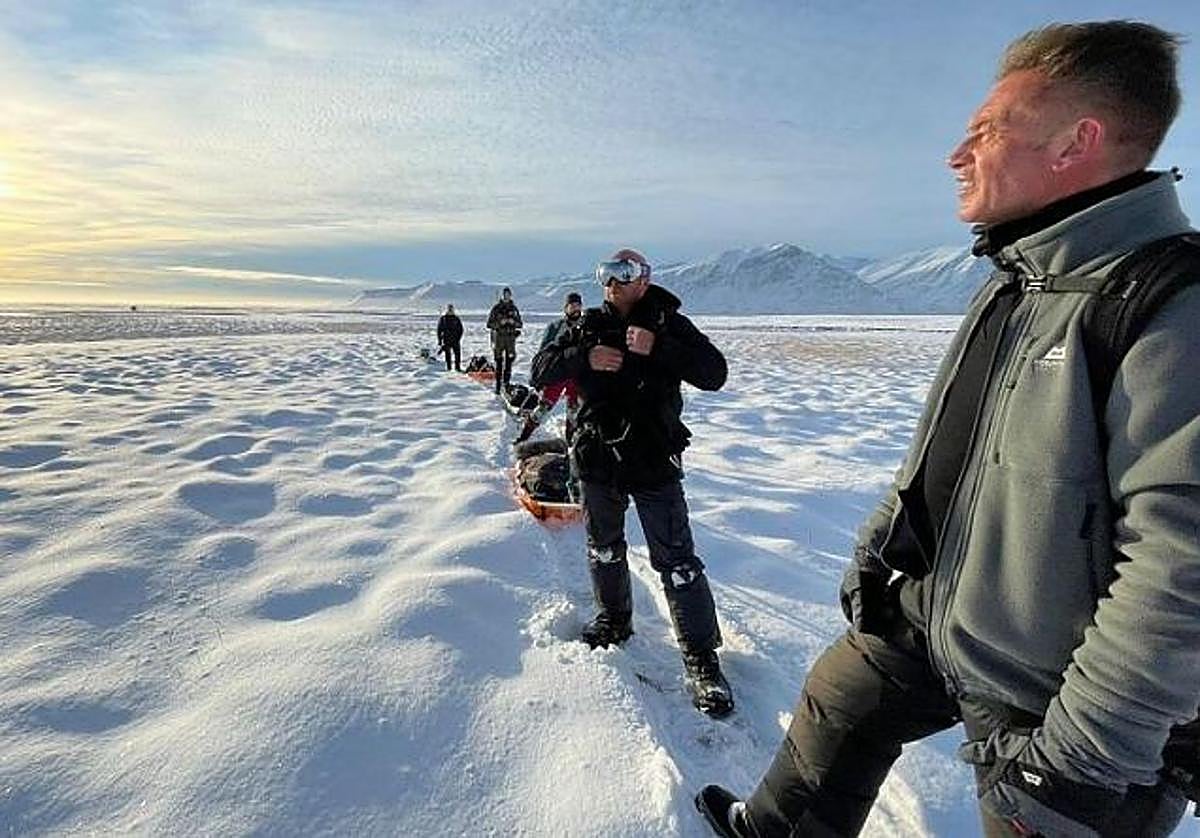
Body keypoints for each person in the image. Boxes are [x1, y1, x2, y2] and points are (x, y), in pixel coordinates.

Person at [697, 21, 1200, 838]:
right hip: (949, 614)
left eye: (986, 132)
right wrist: (880, 548)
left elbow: (1182, 568)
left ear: (1079, 141)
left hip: (1068, 702)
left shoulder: (1170, 305)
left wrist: (1083, 762)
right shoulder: (1014, 281)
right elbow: (946, 449)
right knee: (841, 698)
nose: (955, 155)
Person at [531, 248, 734, 717]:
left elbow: (714, 373)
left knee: (678, 561)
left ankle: (702, 660)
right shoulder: (580, 326)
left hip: (652, 460)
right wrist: (582, 355)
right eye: (606, 272)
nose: (611, 281)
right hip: (598, 458)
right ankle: (614, 620)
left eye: (623, 273)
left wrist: (657, 348)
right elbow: (540, 371)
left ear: (644, 279)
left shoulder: (666, 323)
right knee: (603, 546)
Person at [513, 291, 584, 445]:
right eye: (572, 305)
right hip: (557, 374)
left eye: (578, 305)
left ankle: (570, 442)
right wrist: (539, 376)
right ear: (566, 308)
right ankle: (523, 437)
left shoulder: (586, 326)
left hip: (577, 375)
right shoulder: (555, 326)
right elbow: (543, 352)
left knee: (573, 411)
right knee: (543, 408)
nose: (575, 308)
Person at [486, 287, 522, 394]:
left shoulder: (514, 309)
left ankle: (506, 384)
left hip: (510, 339)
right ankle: (497, 386)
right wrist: (500, 323)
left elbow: (520, 324)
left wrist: (512, 322)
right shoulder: (496, 308)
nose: (507, 296)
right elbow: (489, 324)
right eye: (505, 294)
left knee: (509, 363)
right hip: (499, 338)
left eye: (508, 294)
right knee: (499, 362)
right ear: (502, 295)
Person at [436, 303, 463, 372]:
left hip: (455, 340)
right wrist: (439, 340)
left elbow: (461, 329)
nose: (450, 310)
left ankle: (457, 367)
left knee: (457, 354)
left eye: (451, 309)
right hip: (446, 339)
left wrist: (458, 338)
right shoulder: (443, 318)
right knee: (448, 355)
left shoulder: (456, 318)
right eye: (449, 309)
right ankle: (449, 368)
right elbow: (439, 330)